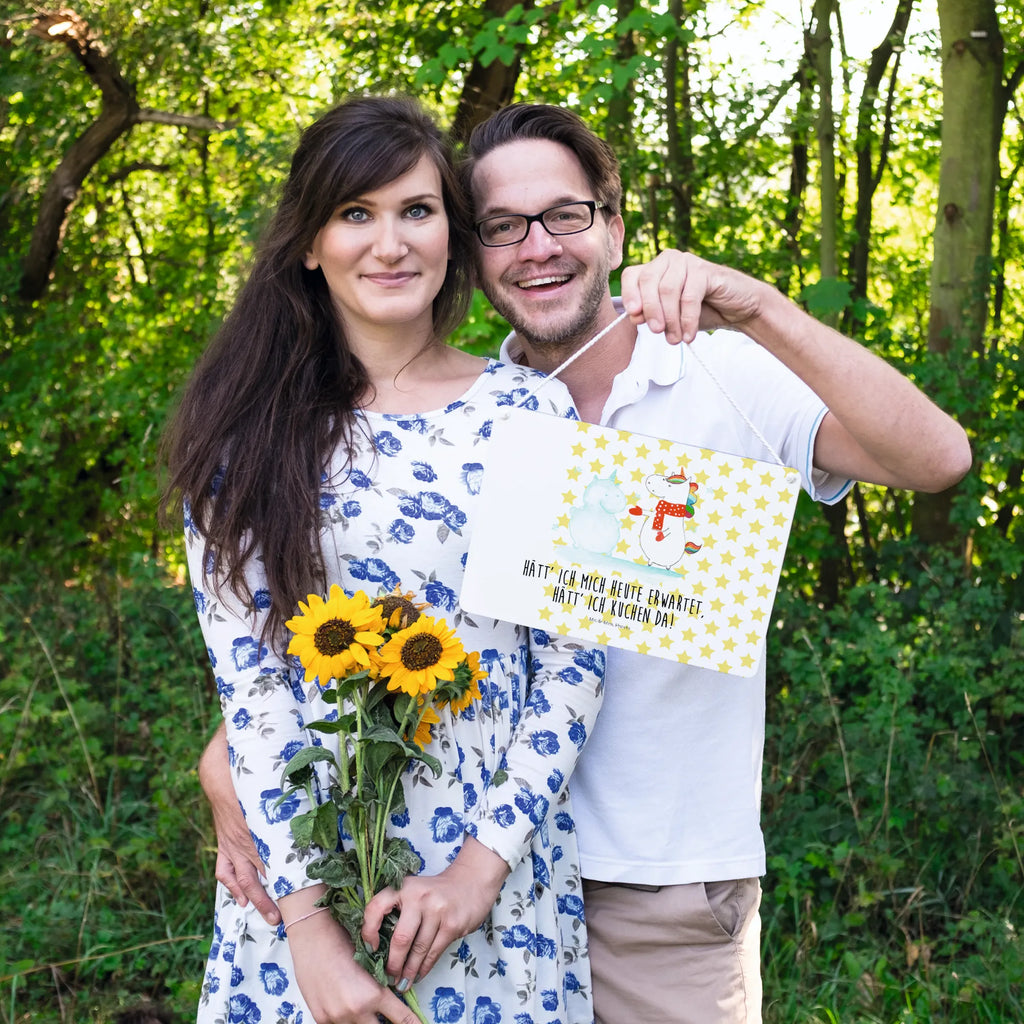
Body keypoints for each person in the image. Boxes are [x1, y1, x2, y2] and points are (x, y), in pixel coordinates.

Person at [201, 102, 972, 1024]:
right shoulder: (465, 415)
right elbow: (338, 632)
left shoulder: (714, 372)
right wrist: (233, 768)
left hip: (653, 887)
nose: (537, 247)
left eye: (564, 215)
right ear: (474, 249)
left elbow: (938, 461)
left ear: (612, 225)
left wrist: (759, 306)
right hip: (425, 875)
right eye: (502, 227)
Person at [162, 95, 609, 1024]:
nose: (390, 243)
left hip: (492, 886)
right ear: (309, 244)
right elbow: (253, 691)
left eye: (416, 210)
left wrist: (478, 873)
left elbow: (572, 662)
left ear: (452, 230)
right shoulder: (245, 438)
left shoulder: (532, 415)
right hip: (302, 884)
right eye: (355, 214)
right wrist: (311, 936)